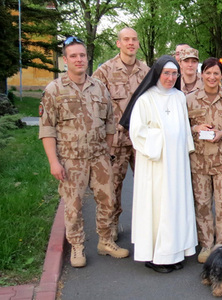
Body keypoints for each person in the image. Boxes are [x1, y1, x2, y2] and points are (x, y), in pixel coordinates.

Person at [39, 36, 129, 268]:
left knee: (108, 200)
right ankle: (77, 246)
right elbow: (47, 129)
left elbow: (110, 121)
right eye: (74, 56)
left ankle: (106, 241)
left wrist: (108, 151)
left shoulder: (99, 86)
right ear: (65, 60)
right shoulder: (54, 90)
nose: (79, 60)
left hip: (99, 157)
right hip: (71, 159)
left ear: (87, 58)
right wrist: (53, 162)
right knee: (74, 205)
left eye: (82, 55)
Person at [119, 55, 198, 274]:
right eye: (167, 73)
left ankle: (173, 252)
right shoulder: (145, 99)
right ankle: (155, 256)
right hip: (155, 165)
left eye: (175, 74)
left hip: (177, 165)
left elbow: (184, 129)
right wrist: (164, 138)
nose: (171, 78)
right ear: (157, 73)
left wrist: (182, 148)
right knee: (156, 207)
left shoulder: (179, 97)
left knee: (175, 206)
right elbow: (137, 131)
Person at [92, 27, 150, 241]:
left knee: (147, 184)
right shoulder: (105, 71)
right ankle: (111, 226)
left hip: (141, 141)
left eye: (134, 39)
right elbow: (94, 103)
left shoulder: (146, 71)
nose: (130, 43)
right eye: (126, 39)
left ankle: (145, 227)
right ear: (119, 43)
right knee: (112, 187)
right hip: (116, 140)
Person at [187, 57, 222, 263]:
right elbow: (181, 127)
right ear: (202, 75)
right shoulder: (189, 100)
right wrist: (195, 128)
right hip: (199, 162)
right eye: (208, 73)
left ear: (221, 76)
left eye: (216, 73)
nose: (212, 77)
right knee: (202, 204)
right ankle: (206, 244)